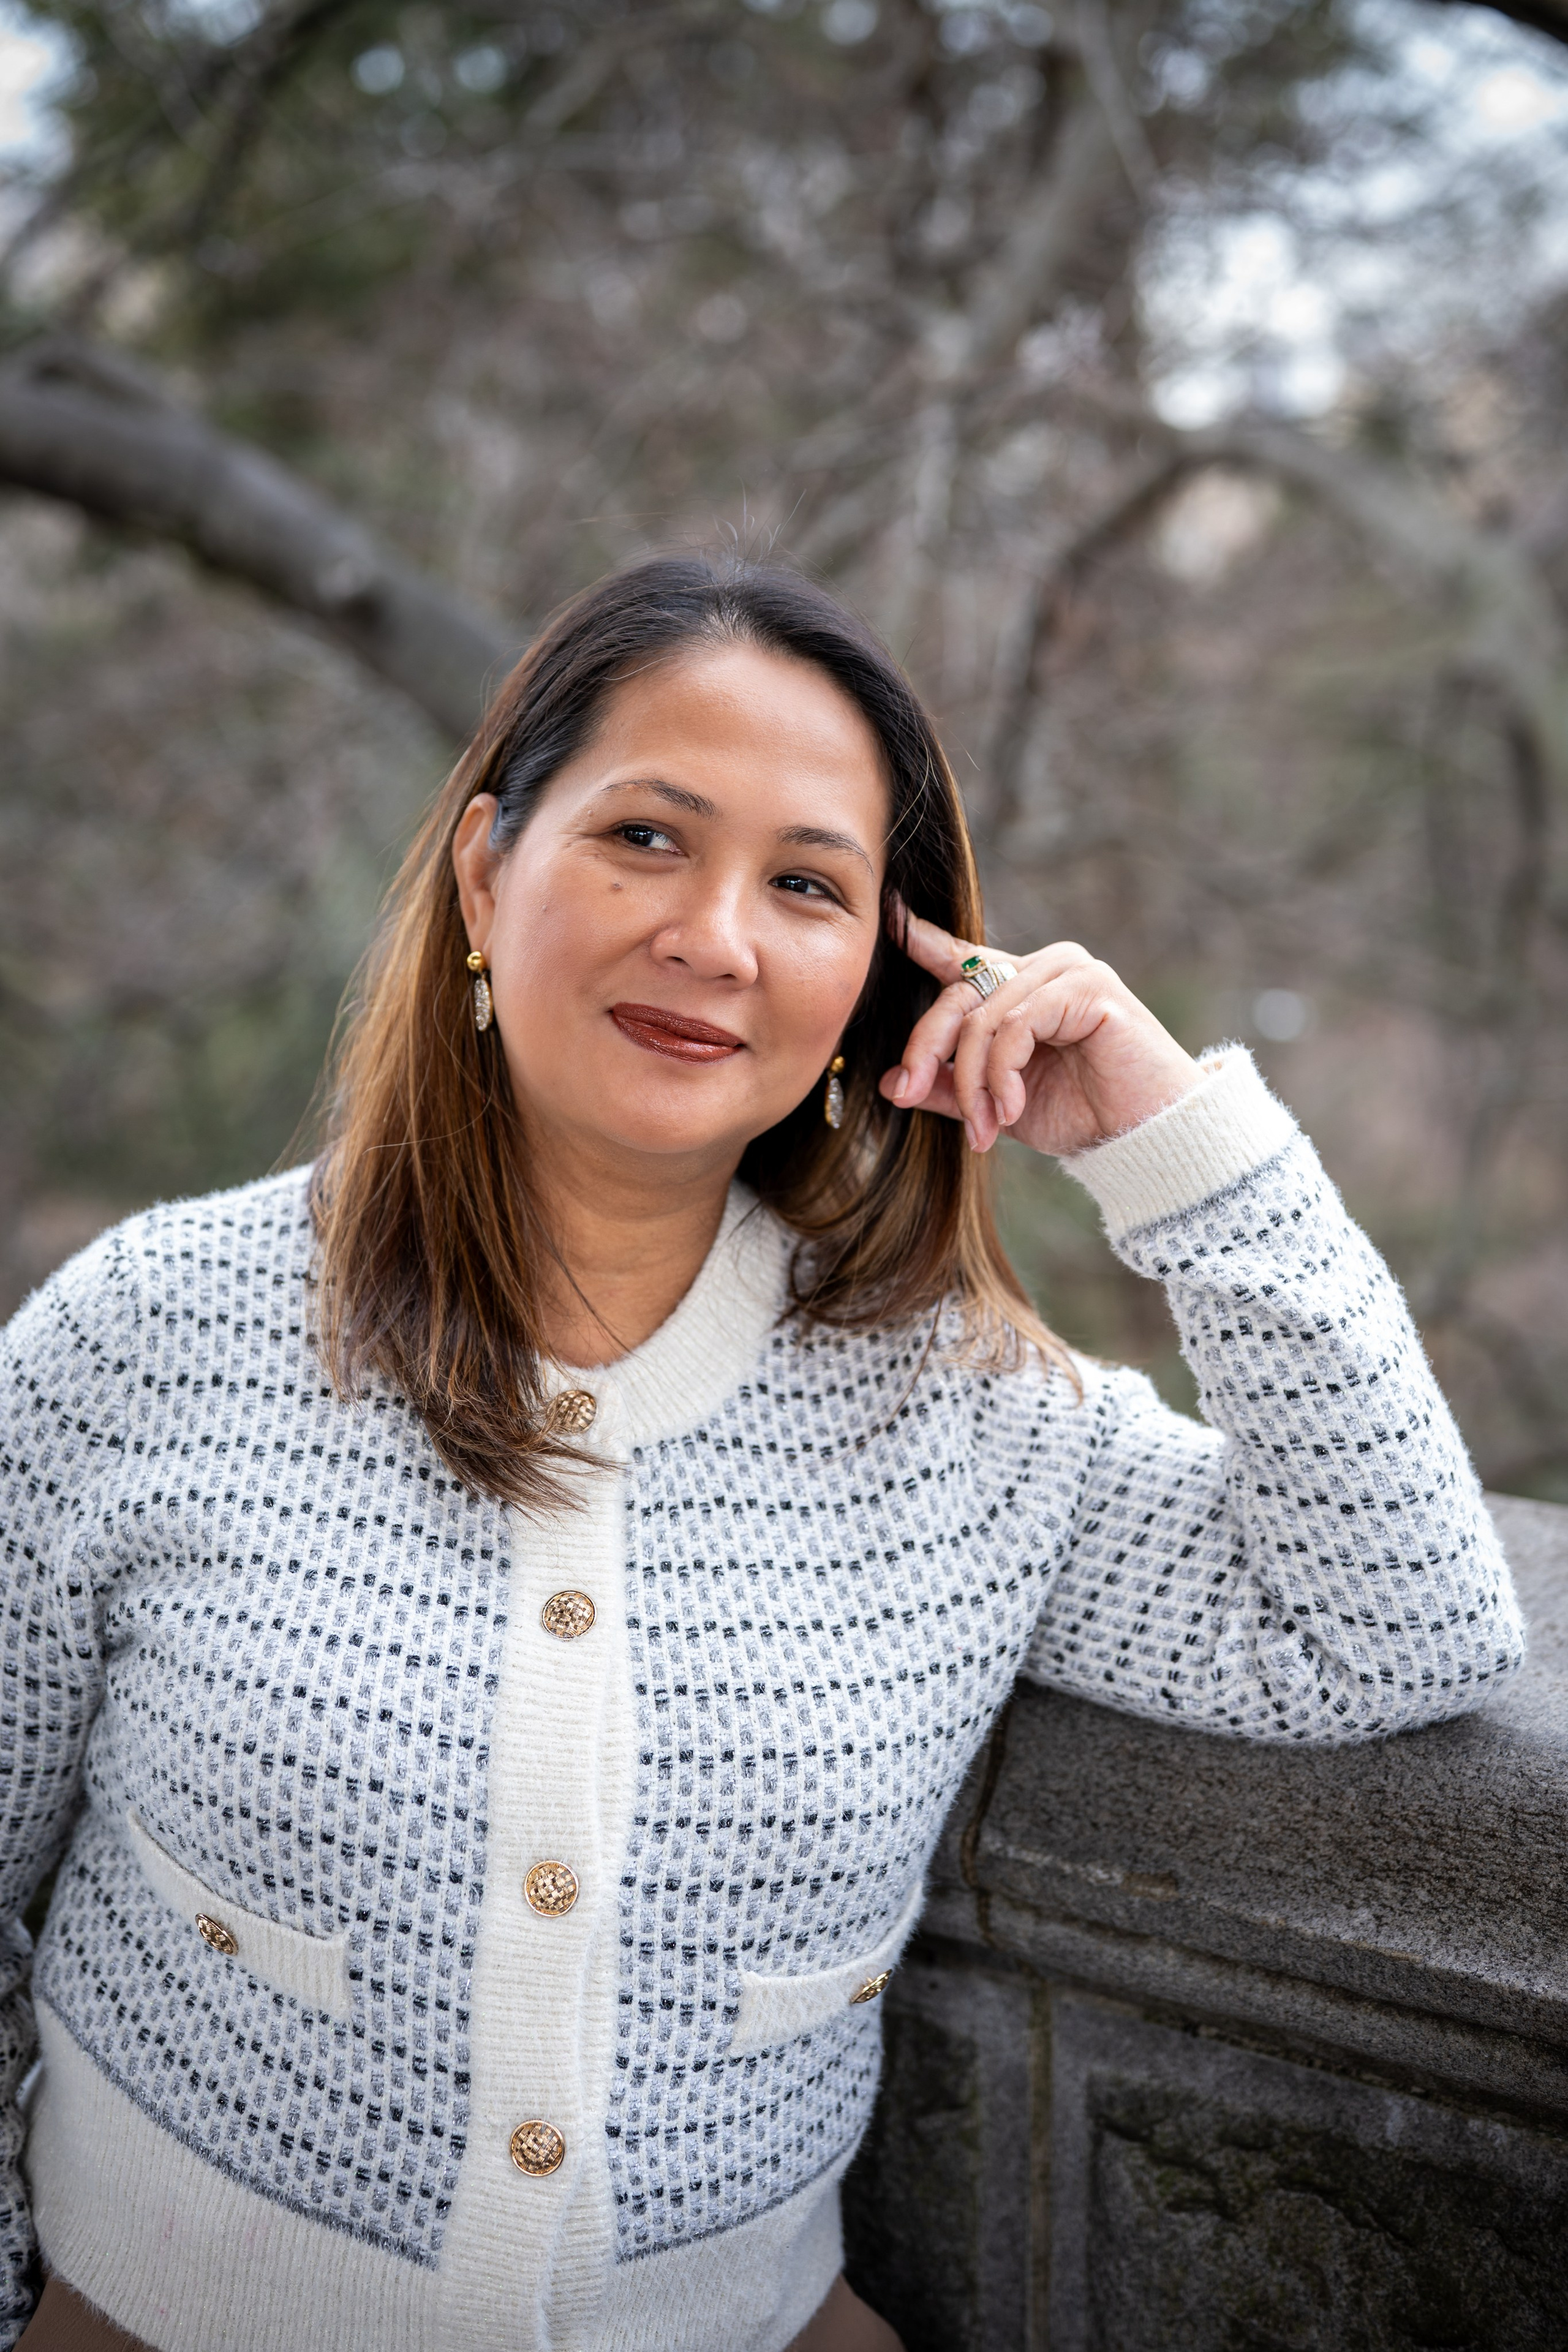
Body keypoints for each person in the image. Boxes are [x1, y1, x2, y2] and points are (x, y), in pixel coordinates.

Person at [0, 556, 1523, 2352]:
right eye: (647, 837)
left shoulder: (966, 1416)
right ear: (488, 875)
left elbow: (1402, 1629)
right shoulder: (155, 1332)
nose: (715, 937)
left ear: (880, 979)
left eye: (806, 885)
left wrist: (1166, 1138)